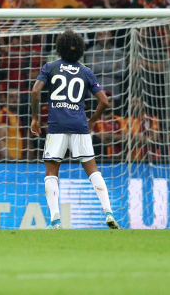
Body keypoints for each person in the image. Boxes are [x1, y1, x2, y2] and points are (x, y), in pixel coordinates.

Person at [30, 30, 119, 230]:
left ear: (59, 48)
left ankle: (55, 220)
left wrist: (35, 118)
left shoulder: (50, 67)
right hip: (79, 125)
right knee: (93, 170)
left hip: (57, 126)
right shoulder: (86, 71)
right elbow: (104, 101)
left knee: (51, 172)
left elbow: (35, 91)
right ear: (80, 50)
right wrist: (92, 120)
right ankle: (108, 212)